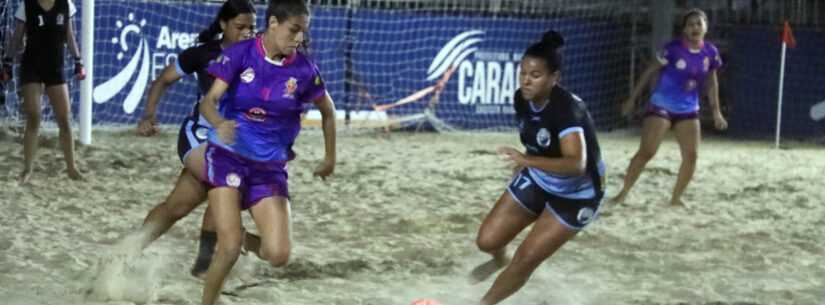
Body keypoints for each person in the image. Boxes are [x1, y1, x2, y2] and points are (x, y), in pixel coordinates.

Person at [184, 0, 336, 304]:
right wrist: (219, 123)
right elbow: (208, 102)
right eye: (294, 31)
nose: (299, 39)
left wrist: (330, 158)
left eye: (303, 33)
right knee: (226, 247)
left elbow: (328, 112)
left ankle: (240, 237)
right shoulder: (240, 54)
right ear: (273, 24)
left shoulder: (305, 71)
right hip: (228, 155)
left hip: (269, 167)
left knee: (278, 254)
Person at [469, 30, 606, 305]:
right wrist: (528, 163)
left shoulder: (567, 109)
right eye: (523, 73)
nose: (526, 81)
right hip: (541, 178)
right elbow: (539, 140)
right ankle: (499, 259)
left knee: (525, 260)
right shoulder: (522, 98)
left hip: (578, 195)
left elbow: (575, 164)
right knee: (487, 241)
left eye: (535, 75)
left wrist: (526, 161)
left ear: (555, 78)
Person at [128, 0, 256, 279]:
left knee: (178, 206)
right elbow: (162, 80)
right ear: (223, 25)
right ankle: (205, 264)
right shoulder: (202, 54)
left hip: (233, 142)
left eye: (251, 27)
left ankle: (127, 252)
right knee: (225, 185)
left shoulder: (259, 55)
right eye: (240, 26)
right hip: (198, 136)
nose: (247, 32)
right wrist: (148, 114)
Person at [613, 8, 728, 207]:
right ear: (684, 29)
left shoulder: (710, 52)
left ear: (706, 27)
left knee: (691, 156)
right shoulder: (673, 49)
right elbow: (650, 71)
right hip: (661, 106)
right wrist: (632, 99)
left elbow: (712, 83)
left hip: (689, 109)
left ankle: (676, 198)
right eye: (690, 24)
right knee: (647, 151)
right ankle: (623, 192)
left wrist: (717, 112)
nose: (695, 27)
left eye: (699, 23)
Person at [2, 0, 86, 184]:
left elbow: (70, 36)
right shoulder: (27, 5)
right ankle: (28, 169)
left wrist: (78, 61)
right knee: (34, 117)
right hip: (31, 67)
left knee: (64, 119)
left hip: (55, 68)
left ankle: (72, 168)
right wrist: (7, 61)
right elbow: (17, 37)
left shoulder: (66, 4)